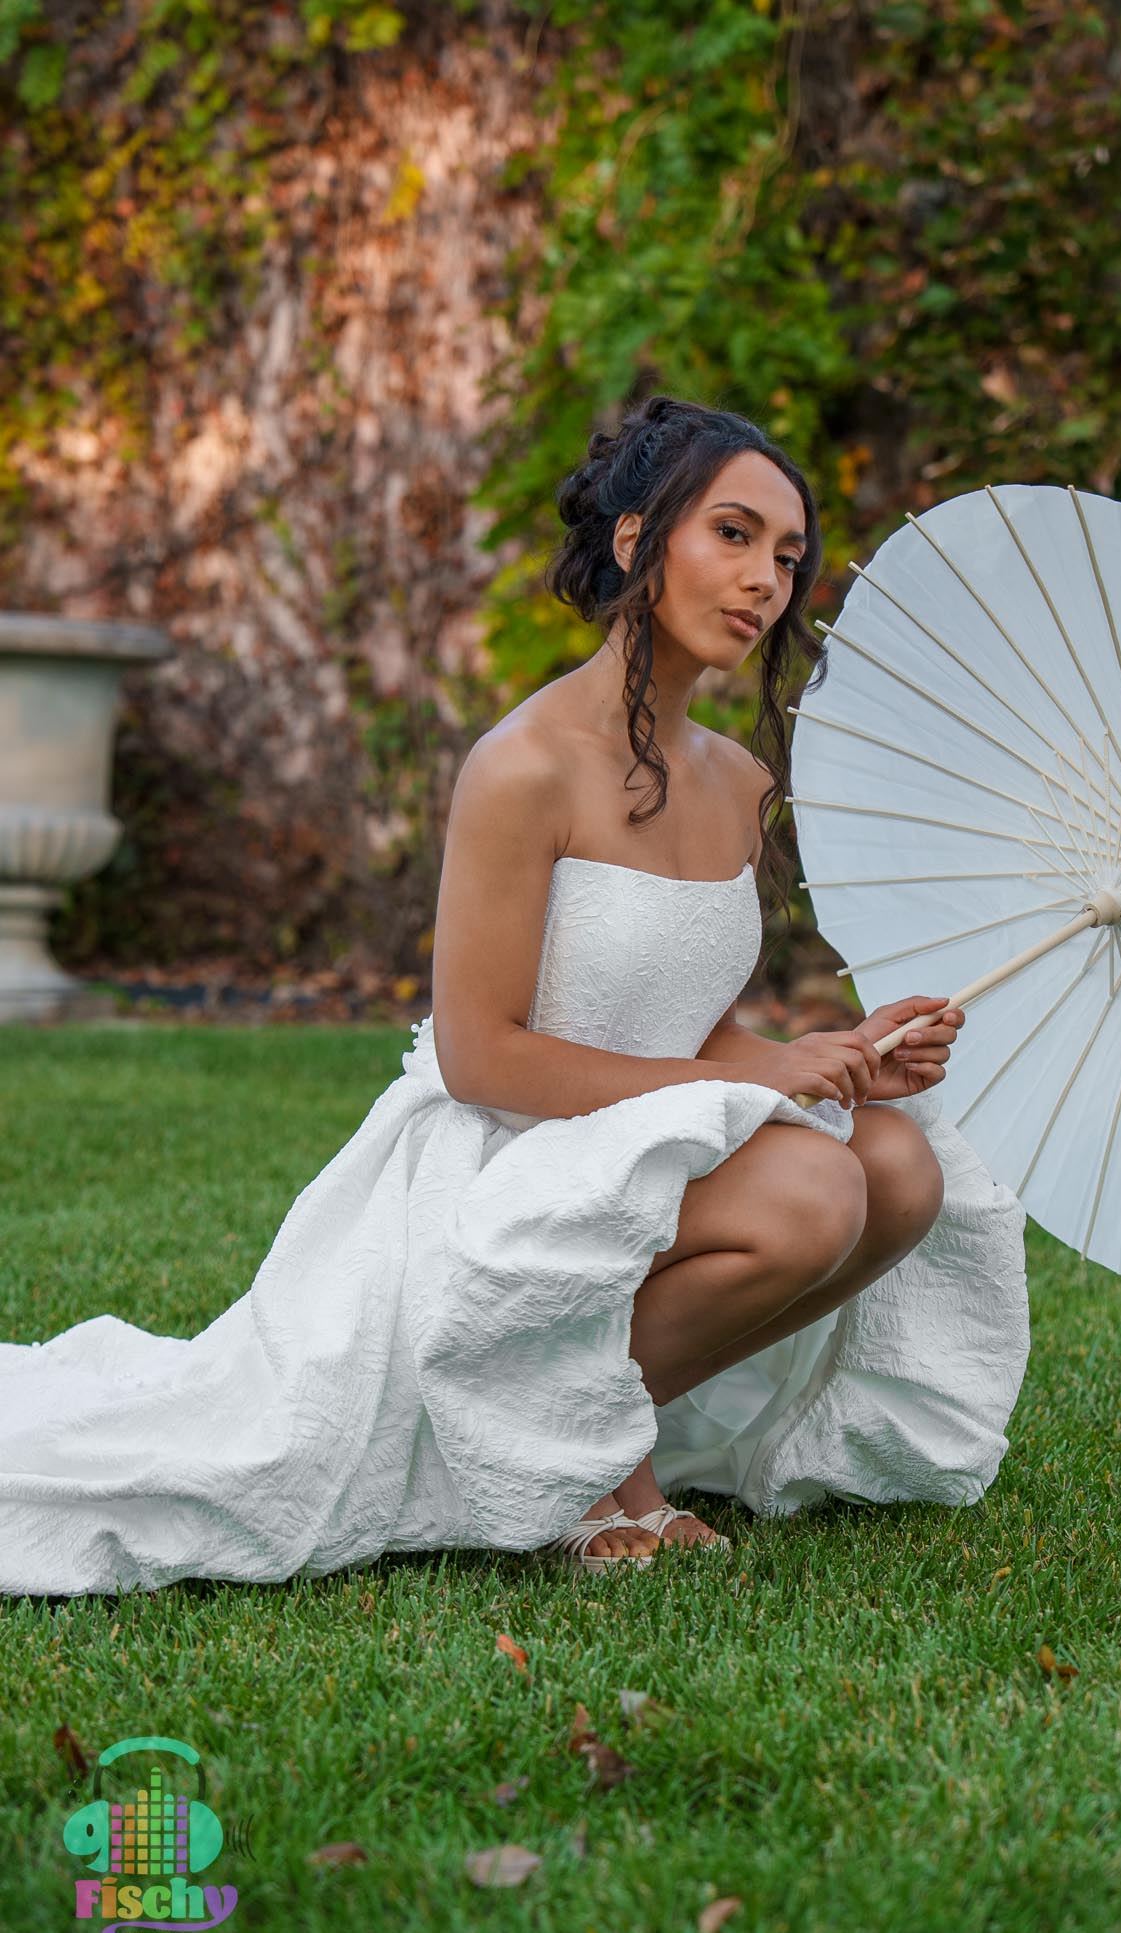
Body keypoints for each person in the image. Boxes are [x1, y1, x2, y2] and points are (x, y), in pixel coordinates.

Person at [0, 394, 1031, 1596]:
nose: (765, 581)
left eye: (789, 557)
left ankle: (586, 1422)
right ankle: (579, 1458)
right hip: (504, 1155)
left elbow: (688, 1021)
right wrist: (746, 1083)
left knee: (900, 1167)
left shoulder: (742, 782)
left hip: (644, 1137)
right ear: (640, 541)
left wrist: (828, 1050)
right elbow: (482, 1056)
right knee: (812, 1185)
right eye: (735, 535)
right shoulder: (522, 766)